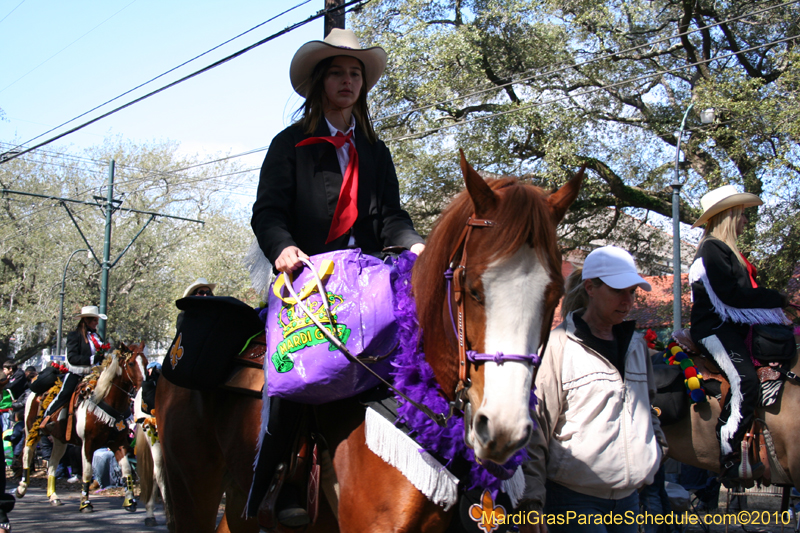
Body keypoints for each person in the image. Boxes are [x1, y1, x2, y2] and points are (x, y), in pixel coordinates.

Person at [248, 28, 425, 527]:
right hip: (306, 278)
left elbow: (390, 216)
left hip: (365, 279)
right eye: (339, 73)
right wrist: (283, 249)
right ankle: (280, 476)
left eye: (356, 74)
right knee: (293, 367)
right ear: (320, 82)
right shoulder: (291, 145)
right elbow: (267, 212)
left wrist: (416, 245)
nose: (348, 81)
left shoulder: (374, 148)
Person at [518, 246, 666, 533]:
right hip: (573, 503)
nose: (628, 300)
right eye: (618, 290)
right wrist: (531, 501)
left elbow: (650, 408)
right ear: (590, 288)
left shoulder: (636, 346)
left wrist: (655, 452)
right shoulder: (557, 347)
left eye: (633, 291)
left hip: (630, 502)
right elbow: (536, 427)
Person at [688, 185, 788, 483]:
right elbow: (731, 296)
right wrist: (778, 299)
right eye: (742, 215)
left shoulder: (729, 251)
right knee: (744, 380)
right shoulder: (711, 249)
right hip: (713, 328)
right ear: (729, 215)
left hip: (732, 327)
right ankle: (729, 451)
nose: (746, 221)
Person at [42, 306, 108, 424]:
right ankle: (46, 418)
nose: (97, 323)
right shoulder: (74, 336)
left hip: (96, 375)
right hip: (77, 374)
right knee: (65, 394)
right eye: (94, 320)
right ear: (86, 320)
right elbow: (72, 358)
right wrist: (92, 359)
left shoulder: (97, 337)